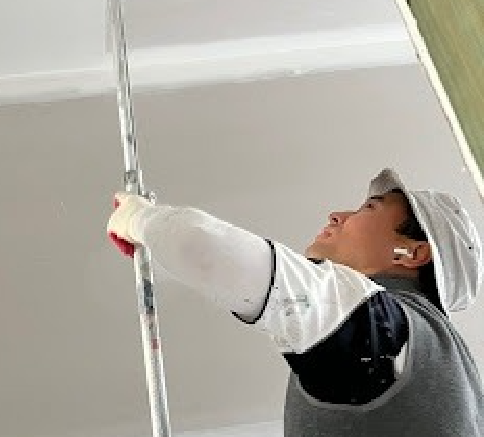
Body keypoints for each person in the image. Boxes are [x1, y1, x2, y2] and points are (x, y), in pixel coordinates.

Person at [107, 168, 484, 436]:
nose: (337, 215)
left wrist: (138, 219)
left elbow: (199, 246)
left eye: (369, 208)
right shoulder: (423, 355)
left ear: (412, 253)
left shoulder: (387, 331)